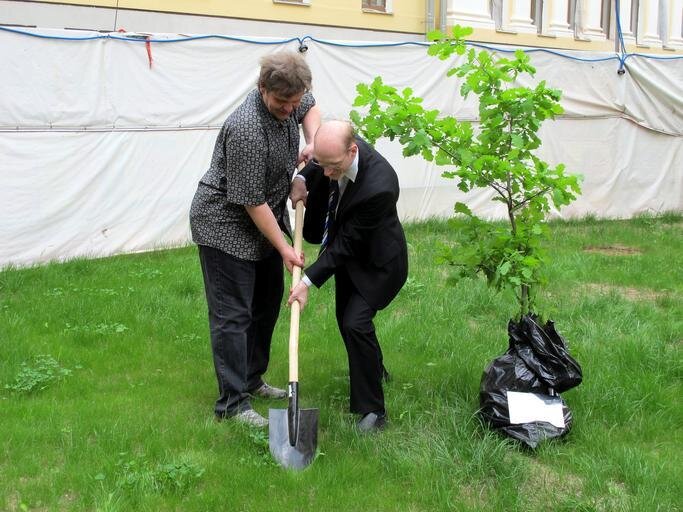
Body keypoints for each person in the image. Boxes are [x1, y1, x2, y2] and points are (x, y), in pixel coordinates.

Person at [189, 51, 321, 427]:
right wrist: (284, 247)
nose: (289, 110)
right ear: (263, 88)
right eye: (282, 103)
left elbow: (310, 108)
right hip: (225, 225)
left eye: (293, 103)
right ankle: (233, 404)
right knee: (233, 314)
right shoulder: (246, 127)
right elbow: (251, 200)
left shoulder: (293, 97)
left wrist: (312, 143)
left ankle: (251, 378)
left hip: (261, 221)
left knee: (266, 303)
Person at [288, 120, 408, 433]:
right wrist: (302, 176)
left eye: (332, 168)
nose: (326, 174)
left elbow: (345, 245)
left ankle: (373, 412)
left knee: (356, 322)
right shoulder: (337, 151)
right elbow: (322, 160)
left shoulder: (380, 186)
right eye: (321, 166)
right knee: (346, 321)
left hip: (379, 264)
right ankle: (375, 369)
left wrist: (306, 281)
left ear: (352, 151)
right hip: (351, 259)